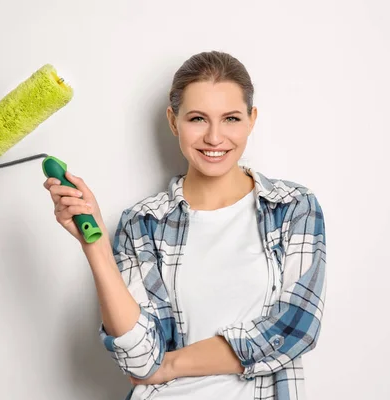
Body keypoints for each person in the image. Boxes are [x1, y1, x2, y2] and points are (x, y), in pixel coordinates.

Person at [43, 51, 326, 400]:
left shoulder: (293, 207)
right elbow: (140, 359)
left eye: (231, 118)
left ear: (252, 120)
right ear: (173, 121)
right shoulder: (143, 223)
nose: (214, 137)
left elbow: (296, 328)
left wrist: (170, 366)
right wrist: (95, 244)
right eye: (197, 119)